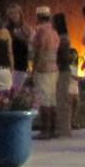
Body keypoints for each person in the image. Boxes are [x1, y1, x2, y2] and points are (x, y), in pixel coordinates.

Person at [29, 7, 59, 136]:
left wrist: (33, 69)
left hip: (43, 69)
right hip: (54, 68)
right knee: (52, 99)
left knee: (43, 99)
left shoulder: (40, 31)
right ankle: (53, 129)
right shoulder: (54, 32)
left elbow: (38, 51)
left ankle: (45, 130)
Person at [54, 11, 80, 133]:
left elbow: (61, 56)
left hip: (62, 70)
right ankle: (64, 125)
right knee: (63, 98)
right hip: (63, 70)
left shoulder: (62, 39)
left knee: (62, 99)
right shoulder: (65, 38)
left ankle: (64, 126)